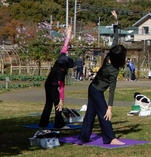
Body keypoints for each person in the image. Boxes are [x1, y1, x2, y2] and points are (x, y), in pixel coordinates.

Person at [79, 11, 126, 145]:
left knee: (90, 114)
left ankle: (84, 137)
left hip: (93, 87)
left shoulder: (109, 57)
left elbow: (115, 38)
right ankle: (110, 138)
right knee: (104, 114)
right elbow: (112, 89)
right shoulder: (114, 70)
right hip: (96, 90)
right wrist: (110, 108)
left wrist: (116, 21)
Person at [39, 25, 75, 129]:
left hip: (47, 84)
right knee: (58, 106)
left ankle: (43, 123)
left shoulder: (61, 58)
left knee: (48, 104)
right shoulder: (61, 72)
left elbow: (65, 47)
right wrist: (61, 101)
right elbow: (62, 87)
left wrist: (68, 35)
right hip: (53, 86)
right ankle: (59, 124)